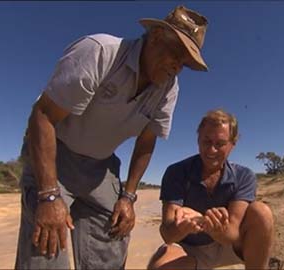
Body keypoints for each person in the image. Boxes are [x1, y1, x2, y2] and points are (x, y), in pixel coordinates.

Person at [14, 5, 209, 270]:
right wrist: (48, 195)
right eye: (176, 52)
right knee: (46, 248)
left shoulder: (168, 88)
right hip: (55, 157)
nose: (177, 66)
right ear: (155, 36)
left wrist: (128, 197)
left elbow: (146, 141)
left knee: (113, 239)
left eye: (184, 63)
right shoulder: (101, 51)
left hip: (101, 168)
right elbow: (43, 115)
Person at [147, 109, 274, 270]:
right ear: (198, 140)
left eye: (220, 144)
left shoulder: (243, 176)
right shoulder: (176, 172)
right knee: (159, 267)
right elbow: (167, 235)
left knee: (261, 212)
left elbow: (233, 234)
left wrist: (205, 222)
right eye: (206, 141)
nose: (211, 150)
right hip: (189, 249)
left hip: (227, 245)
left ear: (232, 145)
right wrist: (182, 227)